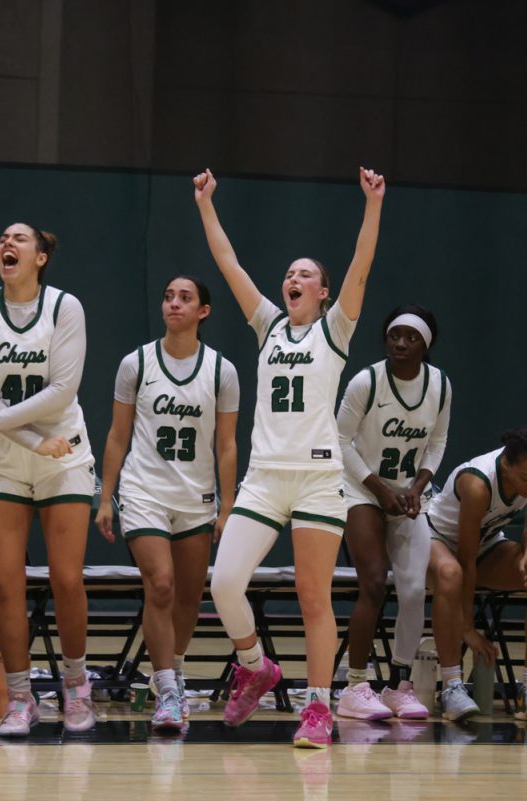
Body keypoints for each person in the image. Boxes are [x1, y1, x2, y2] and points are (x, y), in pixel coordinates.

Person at [194, 166, 386, 749]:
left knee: (313, 598)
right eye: (289, 273)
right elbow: (229, 265)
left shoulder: (335, 330)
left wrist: (373, 205)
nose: (293, 278)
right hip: (263, 478)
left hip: (318, 481)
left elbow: (360, 264)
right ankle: (255, 665)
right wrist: (206, 205)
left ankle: (319, 708)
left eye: (306, 274)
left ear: (324, 293)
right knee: (225, 583)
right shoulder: (269, 326)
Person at [0, 223, 98, 736]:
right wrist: (26, 439)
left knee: (66, 579)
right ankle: (20, 697)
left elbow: (63, 391)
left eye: (19, 239)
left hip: (63, 452)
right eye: (1, 238)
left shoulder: (66, 307)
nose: (7, 244)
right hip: (7, 458)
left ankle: (77, 687)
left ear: (41, 256)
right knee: (5, 583)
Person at [94, 275, 240, 731]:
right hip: (144, 491)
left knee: (189, 596)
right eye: (168, 296)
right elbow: (118, 434)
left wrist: (227, 503)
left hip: (196, 496)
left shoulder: (222, 370)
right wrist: (105, 496)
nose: (173, 303)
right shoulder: (135, 363)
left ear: (203, 311)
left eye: (185, 298)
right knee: (160, 584)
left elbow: (227, 445)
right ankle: (170, 691)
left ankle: (170, 670)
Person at [335, 304, 451, 722]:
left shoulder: (439, 385)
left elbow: (436, 443)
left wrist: (417, 488)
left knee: (415, 588)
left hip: (407, 492)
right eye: (394, 335)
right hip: (361, 488)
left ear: (426, 345)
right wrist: (380, 489)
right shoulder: (366, 381)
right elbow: (340, 440)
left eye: (410, 337)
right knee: (372, 581)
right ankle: (355, 685)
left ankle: (401, 686)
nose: (400, 343)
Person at [416, 428, 527, 724]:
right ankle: (452, 686)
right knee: (450, 572)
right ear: (507, 465)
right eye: (526, 479)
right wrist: (467, 628)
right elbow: (467, 561)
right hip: (436, 540)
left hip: (486, 544)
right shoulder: (477, 483)